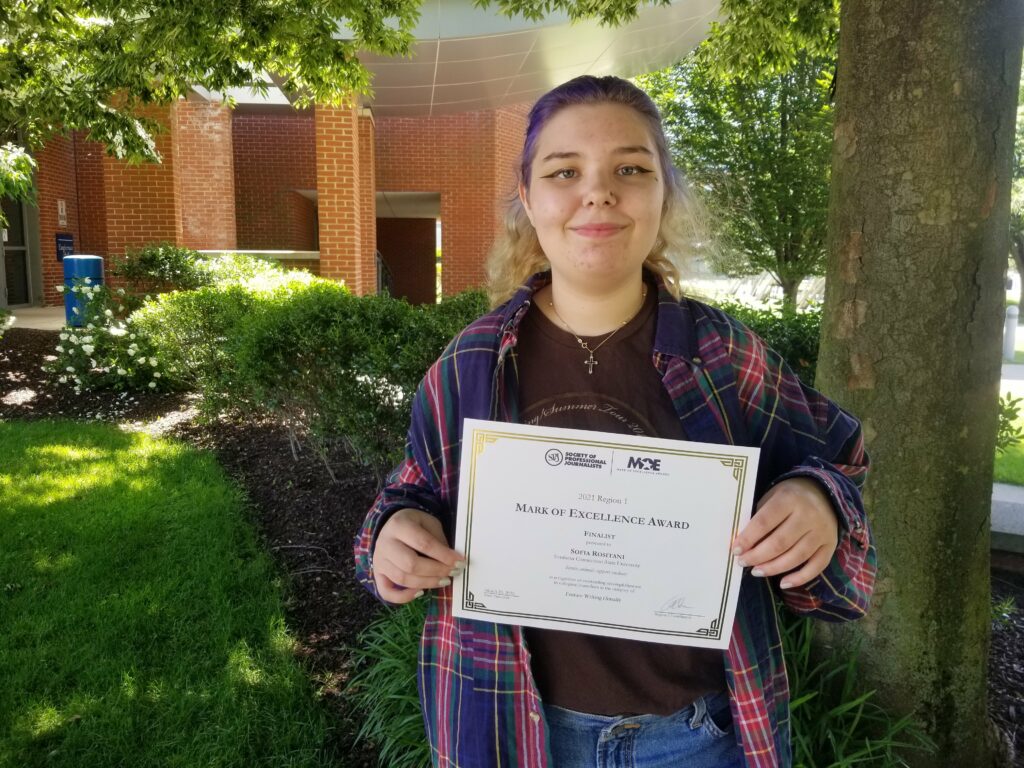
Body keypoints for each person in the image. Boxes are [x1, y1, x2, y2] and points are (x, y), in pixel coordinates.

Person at [354, 75, 876, 768]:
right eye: (565, 171)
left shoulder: (725, 355)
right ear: (529, 198)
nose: (597, 192)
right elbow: (409, 494)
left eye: (631, 169)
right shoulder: (470, 364)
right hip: (513, 727)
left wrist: (817, 501)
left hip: (698, 736)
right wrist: (390, 536)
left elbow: (839, 459)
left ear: (665, 194)